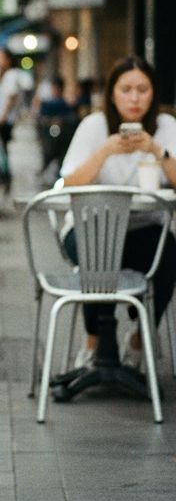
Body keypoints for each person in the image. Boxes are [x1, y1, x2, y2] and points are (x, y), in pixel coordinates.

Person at [59, 55, 176, 366]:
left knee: (169, 255)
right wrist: (105, 151)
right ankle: (94, 340)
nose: (135, 98)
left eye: (143, 89)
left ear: (154, 94)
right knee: (99, 252)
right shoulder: (94, 126)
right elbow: (69, 183)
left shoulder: (166, 127)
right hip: (89, 227)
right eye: (126, 90)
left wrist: (157, 150)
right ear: (112, 94)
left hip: (144, 228)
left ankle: (139, 337)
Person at [0, 47, 20, 149]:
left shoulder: (12, 74)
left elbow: (11, 97)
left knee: (0, 147)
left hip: (2, 119)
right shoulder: (1, 75)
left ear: (8, 59)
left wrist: (3, 116)